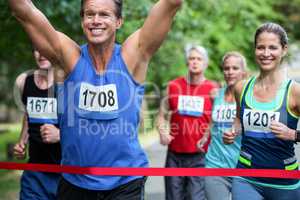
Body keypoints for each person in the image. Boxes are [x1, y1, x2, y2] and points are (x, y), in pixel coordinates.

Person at [9, 0, 183, 199]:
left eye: (104, 14)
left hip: (125, 183)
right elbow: (23, 11)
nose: (96, 20)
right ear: (82, 20)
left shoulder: (134, 55)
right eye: (89, 14)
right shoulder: (67, 57)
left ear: (118, 21)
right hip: (75, 182)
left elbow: (171, 3)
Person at [223, 22, 300, 200]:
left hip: (284, 182)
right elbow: (238, 119)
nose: (266, 54)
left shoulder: (294, 92)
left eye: (272, 47)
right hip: (246, 178)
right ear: (255, 49)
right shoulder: (241, 87)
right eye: (261, 47)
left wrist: (293, 134)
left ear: (284, 49)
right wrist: (233, 131)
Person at [157, 44, 218, 200]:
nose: (195, 62)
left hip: (200, 156)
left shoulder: (213, 89)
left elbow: (217, 120)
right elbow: (161, 115)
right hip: (174, 156)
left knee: (196, 197)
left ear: (205, 63)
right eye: (191, 58)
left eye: (199, 59)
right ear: (187, 62)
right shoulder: (173, 86)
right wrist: (163, 132)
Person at [13, 49, 61, 200]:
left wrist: (60, 134)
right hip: (35, 175)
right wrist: (22, 142)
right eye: (36, 49)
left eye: (46, 48)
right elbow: (28, 115)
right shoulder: (24, 81)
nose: (41, 54)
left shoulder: (68, 83)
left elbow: (85, 124)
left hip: (66, 174)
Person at [204, 52, 247, 200]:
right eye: (226, 68)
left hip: (242, 167)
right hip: (214, 165)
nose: (230, 72)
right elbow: (212, 120)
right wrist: (204, 137)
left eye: (235, 68)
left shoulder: (250, 98)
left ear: (243, 72)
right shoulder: (216, 94)